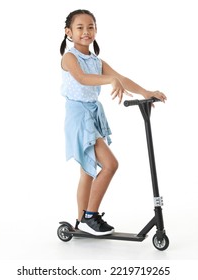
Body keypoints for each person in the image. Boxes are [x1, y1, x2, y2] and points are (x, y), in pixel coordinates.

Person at [60, 9, 167, 236]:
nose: (86, 32)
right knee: (110, 164)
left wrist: (146, 92)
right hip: (78, 116)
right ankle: (90, 216)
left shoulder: (96, 60)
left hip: (91, 115)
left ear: (96, 30)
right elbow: (82, 78)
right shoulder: (69, 57)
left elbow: (122, 78)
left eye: (91, 27)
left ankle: (81, 222)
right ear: (68, 32)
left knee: (88, 172)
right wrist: (110, 79)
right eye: (80, 28)